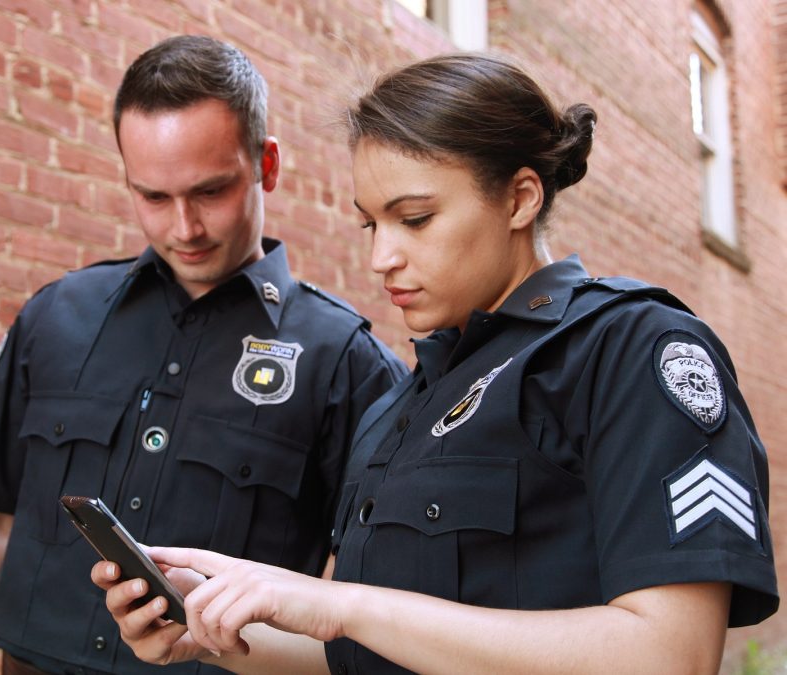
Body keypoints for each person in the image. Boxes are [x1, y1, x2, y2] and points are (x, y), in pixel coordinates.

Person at [93, 53, 779, 674]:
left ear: (520, 197)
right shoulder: (401, 403)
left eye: (414, 219)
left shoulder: (628, 350)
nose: (379, 257)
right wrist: (211, 621)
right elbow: (355, 655)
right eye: (371, 223)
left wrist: (344, 604)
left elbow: (670, 655)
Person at [0, 35, 407, 675]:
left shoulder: (347, 363)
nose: (184, 228)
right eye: (152, 197)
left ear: (266, 165)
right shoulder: (57, 314)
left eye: (210, 192)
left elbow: (355, 599)